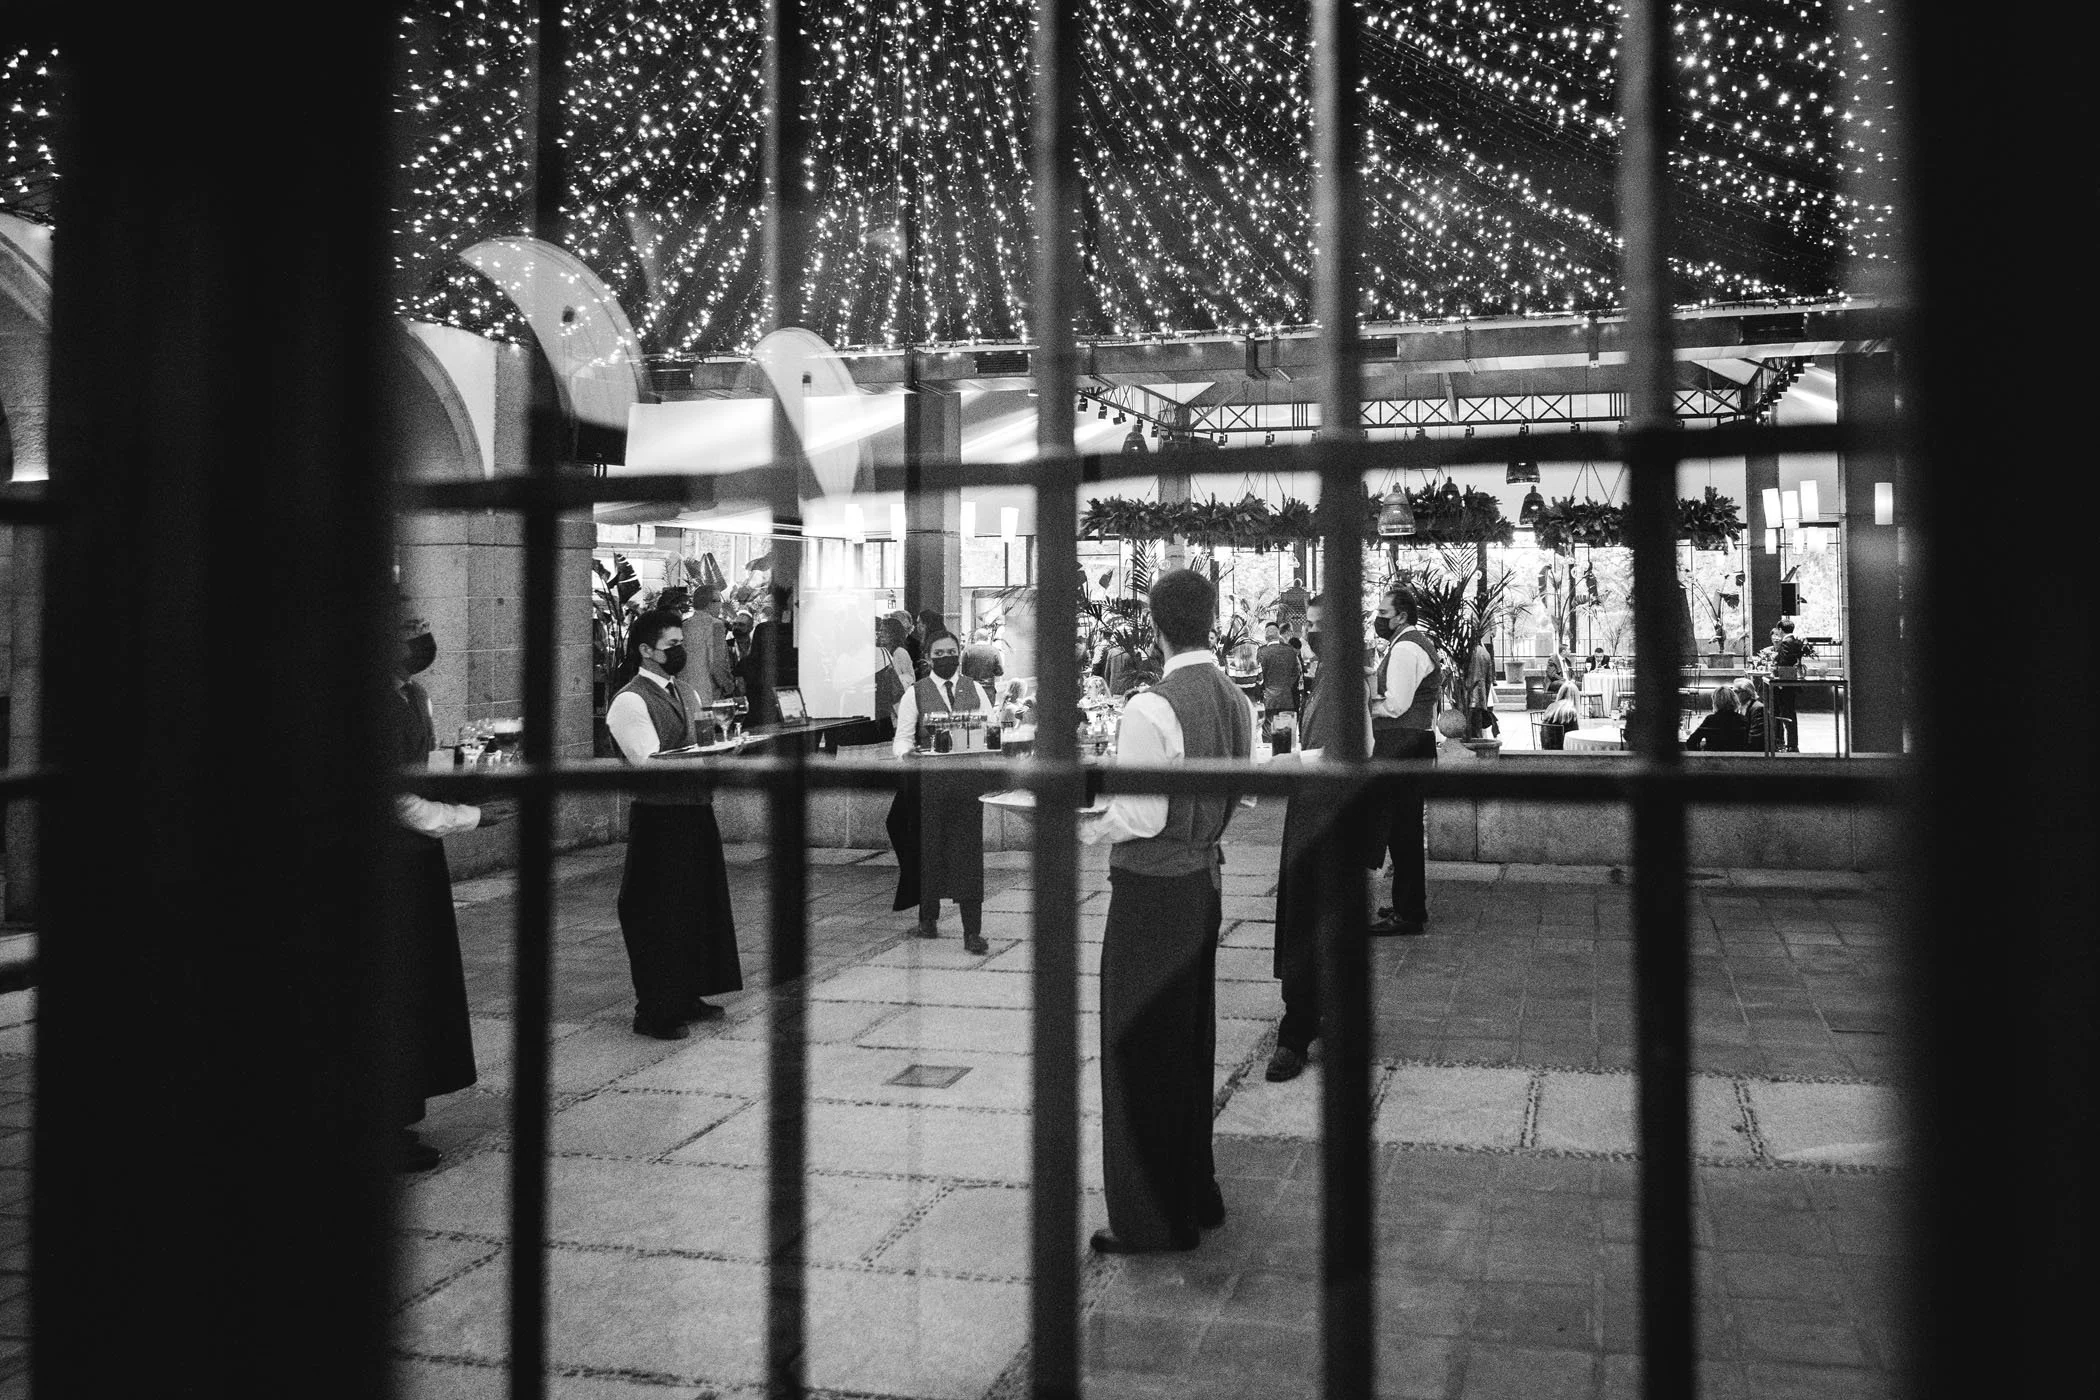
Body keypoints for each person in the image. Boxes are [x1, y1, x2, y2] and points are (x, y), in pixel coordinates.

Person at [1080, 569, 1254, 1252]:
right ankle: (1196, 1190)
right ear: (1213, 618)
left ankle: (1154, 1218)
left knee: (1138, 1050)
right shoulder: (1235, 700)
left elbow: (1143, 814)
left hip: (1151, 893)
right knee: (1189, 1042)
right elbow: (1240, 794)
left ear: (1155, 625)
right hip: (1203, 886)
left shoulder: (1151, 707)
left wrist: (1086, 817)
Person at [387, 612, 513, 1170]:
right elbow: (397, 800)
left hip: (419, 862)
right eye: (407, 625)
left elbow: (420, 766)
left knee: (420, 987)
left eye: (420, 623)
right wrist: (471, 815)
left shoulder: (413, 696)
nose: (420, 637)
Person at [606, 608, 743, 1039]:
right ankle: (654, 1007)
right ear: (646, 651)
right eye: (672, 646)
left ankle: (687, 992)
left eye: (682, 643)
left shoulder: (687, 691)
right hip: (659, 818)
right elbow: (648, 762)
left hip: (695, 810)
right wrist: (707, 756)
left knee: (697, 905)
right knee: (658, 910)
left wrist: (727, 746)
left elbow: (701, 742)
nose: (680, 651)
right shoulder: (630, 700)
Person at [1266, 610, 1378, 1083]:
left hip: (1329, 814)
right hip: (1311, 809)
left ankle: (1303, 1027)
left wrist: (1294, 759)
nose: (1307, 630)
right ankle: (1315, 1015)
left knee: (1318, 914)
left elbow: (1357, 747)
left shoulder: (1345, 678)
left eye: (1315, 622)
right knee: (1307, 913)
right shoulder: (1328, 674)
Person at [886, 632, 992, 954]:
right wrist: (908, 756)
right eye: (939, 653)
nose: (946, 657)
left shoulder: (975, 689)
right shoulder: (914, 694)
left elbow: (991, 726)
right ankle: (927, 917)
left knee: (968, 857)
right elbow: (902, 740)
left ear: (959, 654)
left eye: (951, 651)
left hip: (966, 785)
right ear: (929, 658)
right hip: (929, 787)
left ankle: (972, 931)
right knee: (929, 851)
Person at [1368, 585, 1438, 937]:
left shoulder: (1407, 647)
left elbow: (1396, 704)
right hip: (1410, 744)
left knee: (1404, 831)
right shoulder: (1406, 643)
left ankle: (1409, 912)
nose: (1378, 619)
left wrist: (1364, 705)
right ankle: (1406, 904)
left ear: (1403, 616)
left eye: (1384, 614)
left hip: (1405, 745)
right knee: (1402, 829)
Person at [738, 583, 797, 725]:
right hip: (790, 697)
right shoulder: (795, 630)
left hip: (764, 698)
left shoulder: (764, 629)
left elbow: (753, 661)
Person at [873, 613, 916, 742]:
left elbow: (909, 679)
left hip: (896, 709)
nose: (880, 634)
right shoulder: (884, 652)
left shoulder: (899, 653)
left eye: (884, 631)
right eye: (879, 630)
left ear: (893, 633)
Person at [1254, 622, 1301, 736]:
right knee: (1286, 737)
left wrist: (1260, 691)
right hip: (1287, 698)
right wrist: (1287, 686)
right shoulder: (1290, 650)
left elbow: (1259, 675)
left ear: (1266, 637)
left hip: (1269, 699)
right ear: (1278, 634)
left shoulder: (1262, 651)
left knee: (1269, 737)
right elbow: (1296, 672)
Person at [1683, 684, 1752, 751]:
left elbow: (1691, 742)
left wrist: (1701, 754)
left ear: (1715, 702)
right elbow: (1749, 744)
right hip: (1737, 760)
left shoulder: (1710, 720)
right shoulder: (1742, 720)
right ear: (1735, 701)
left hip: (1713, 760)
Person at [1464, 640, 1499, 739]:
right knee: (1477, 724)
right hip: (1481, 695)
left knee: (1468, 725)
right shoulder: (1485, 653)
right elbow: (1489, 678)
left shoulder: (1466, 652)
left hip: (1468, 694)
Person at [961, 623, 1005, 692]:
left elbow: (963, 671)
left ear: (975, 637)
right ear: (987, 638)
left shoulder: (967, 650)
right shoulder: (994, 651)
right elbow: (1000, 672)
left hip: (972, 689)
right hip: (988, 689)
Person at [1539, 681, 1582, 750]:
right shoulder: (1571, 712)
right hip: (1563, 750)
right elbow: (1575, 734)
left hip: (1547, 746)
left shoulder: (1551, 707)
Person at [1731, 676, 1768, 752]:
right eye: (1733, 691)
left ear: (1748, 692)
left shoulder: (1758, 708)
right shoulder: (1739, 706)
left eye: (1737, 691)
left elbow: (1756, 737)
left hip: (1755, 752)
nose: (1734, 694)